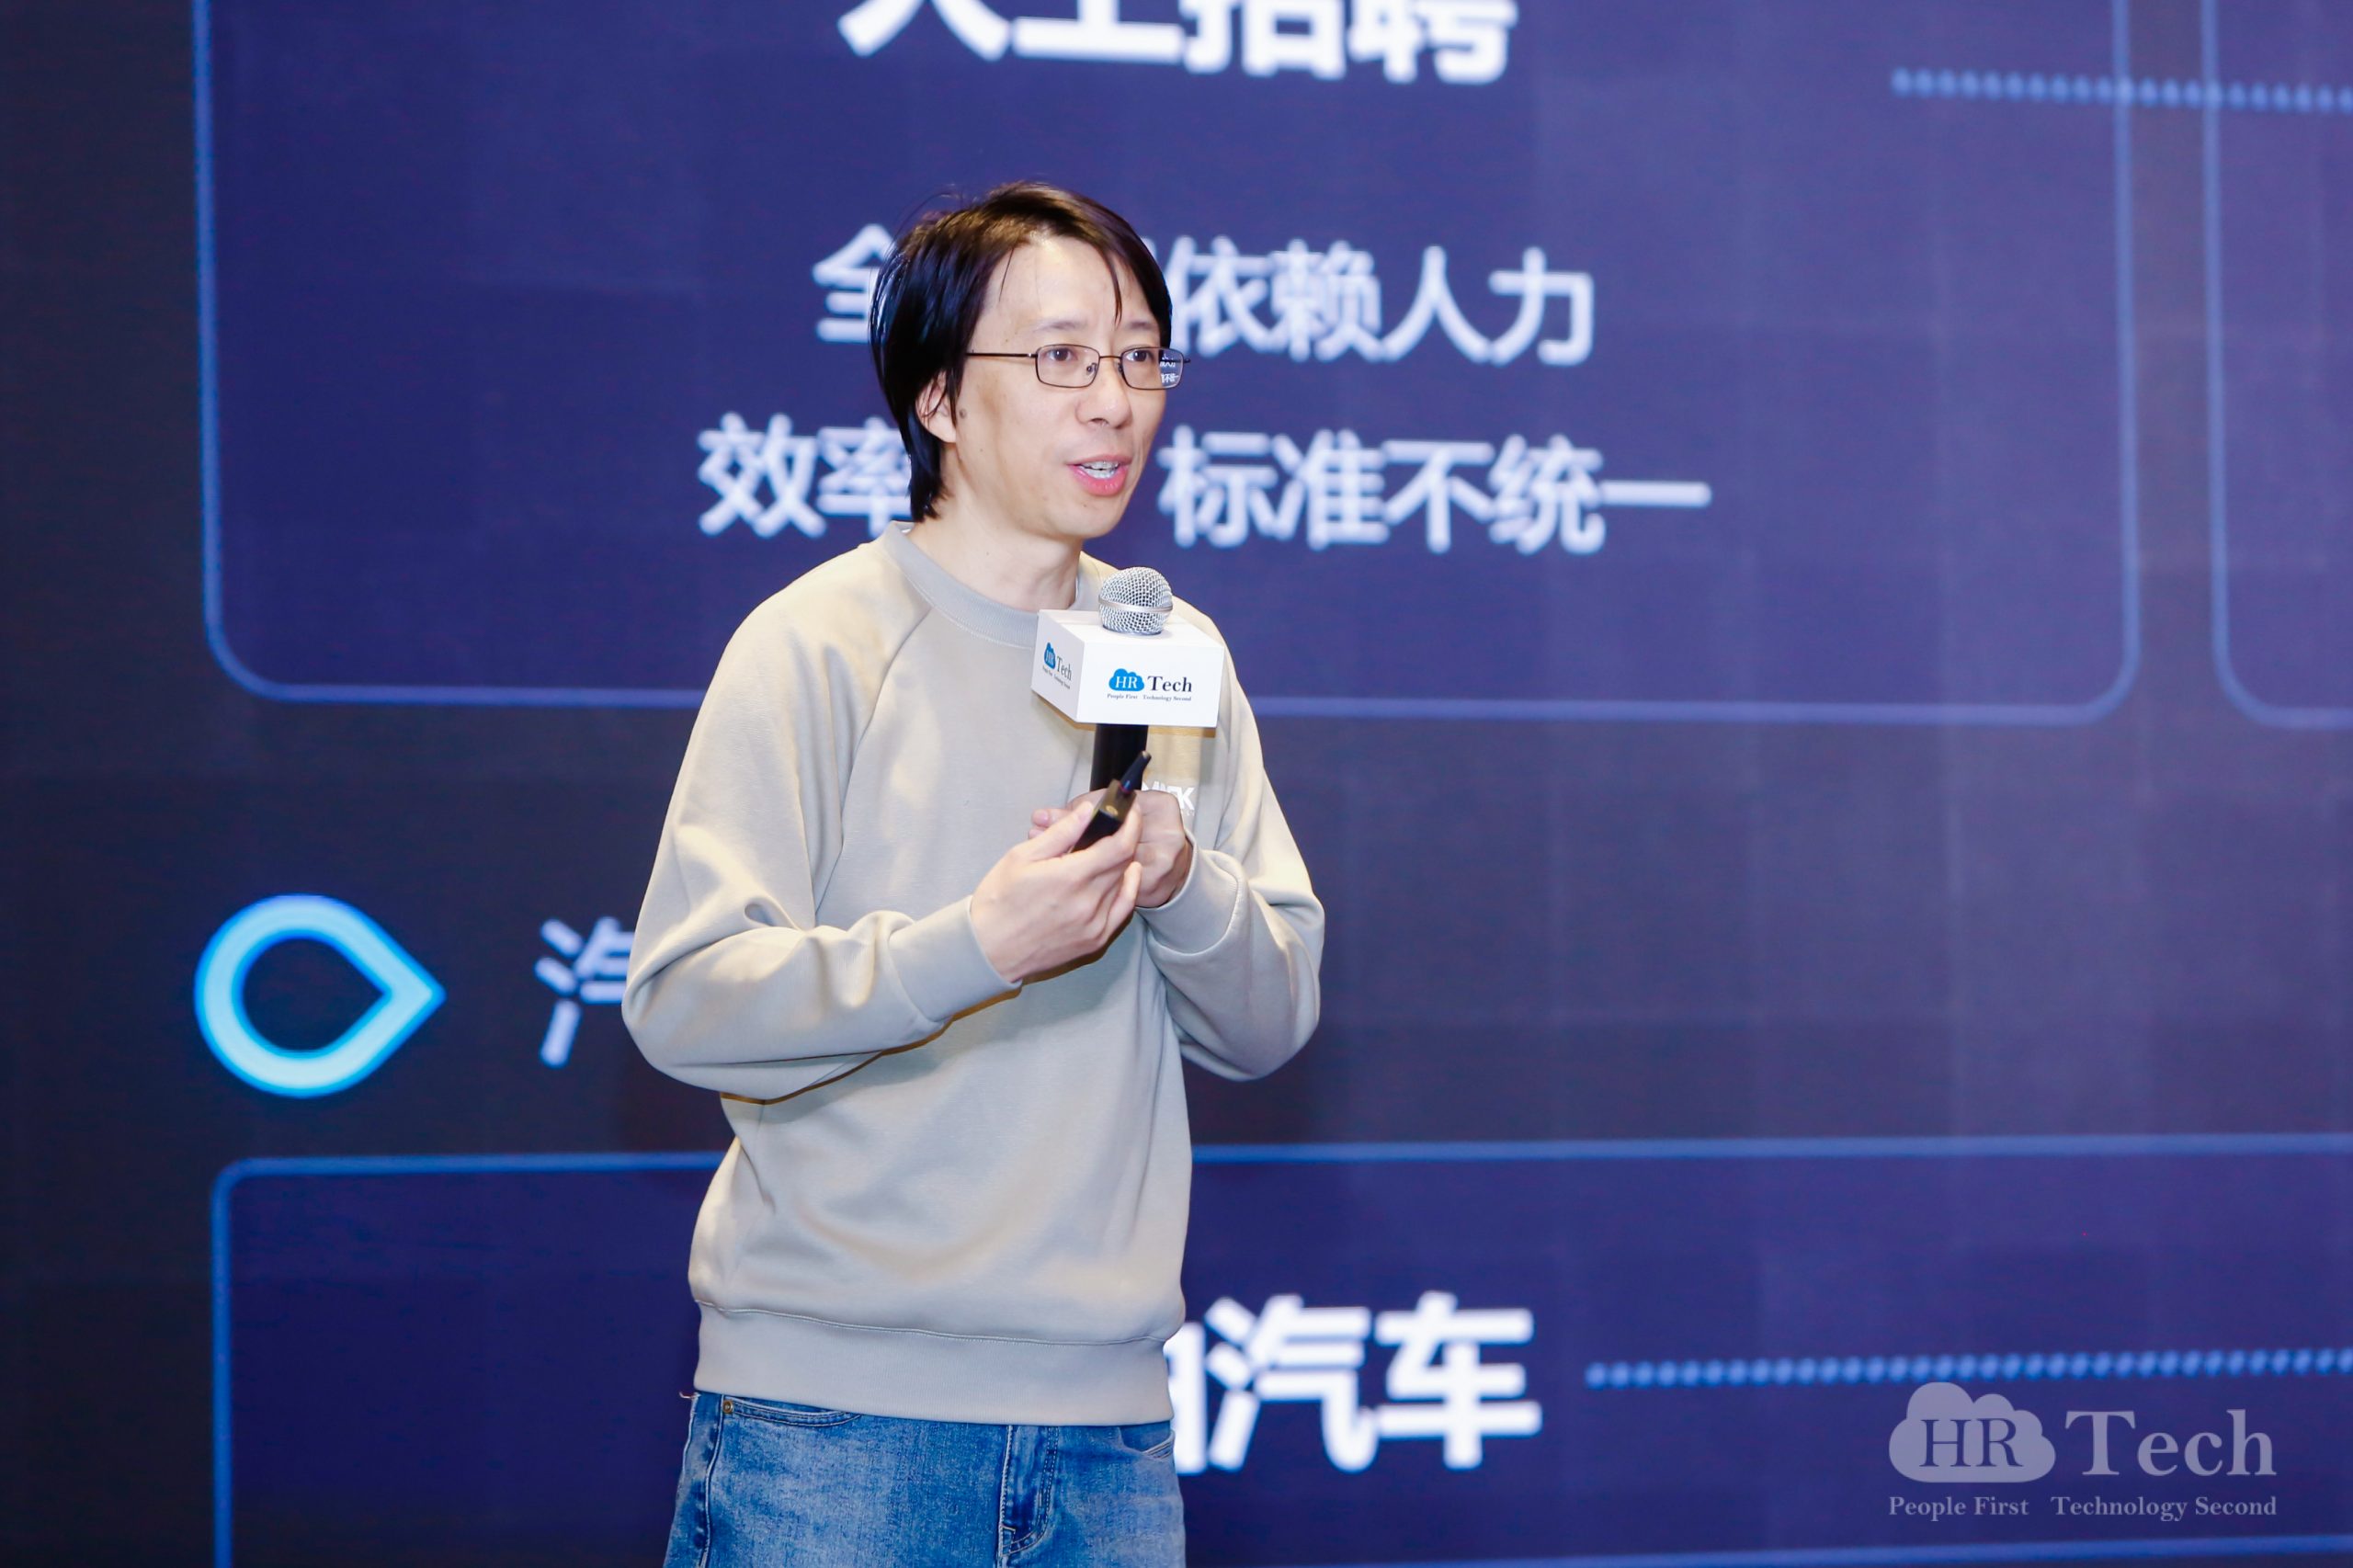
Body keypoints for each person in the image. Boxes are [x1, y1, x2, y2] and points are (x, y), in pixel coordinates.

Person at [622, 181, 1324, 1567]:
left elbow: (1272, 1019)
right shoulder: (819, 642)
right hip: (832, 1427)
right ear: (939, 398)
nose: (1114, 402)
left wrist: (1181, 882)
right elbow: (685, 998)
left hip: (1110, 1438)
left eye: (1140, 357)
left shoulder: (1174, 651)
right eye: (1062, 357)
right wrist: (978, 944)